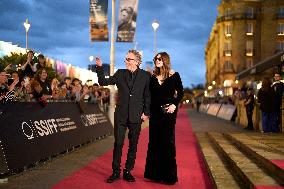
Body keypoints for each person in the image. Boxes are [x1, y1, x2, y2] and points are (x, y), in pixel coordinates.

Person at [95, 50, 151, 183]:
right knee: (118, 143)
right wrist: (100, 67)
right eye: (126, 59)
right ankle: (115, 171)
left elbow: (147, 96)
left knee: (133, 144)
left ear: (137, 61)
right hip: (120, 114)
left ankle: (128, 170)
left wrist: (147, 112)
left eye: (129, 59)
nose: (126, 61)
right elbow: (103, 81)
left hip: (136, 115)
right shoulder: (120, 73)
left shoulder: (145, 76)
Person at [144, 52, 184, 185]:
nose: (157, 60)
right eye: (156, 58)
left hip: (168, 112)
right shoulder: (152, 77)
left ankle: (169, 176)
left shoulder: (174, 75)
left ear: (165, 60)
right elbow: (148, 96)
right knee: (155, 142)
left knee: (168, 142)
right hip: (155, 113)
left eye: (160, 59)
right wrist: (146, 112)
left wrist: (174, 104)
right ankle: (155, 175)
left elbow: (181, 93)